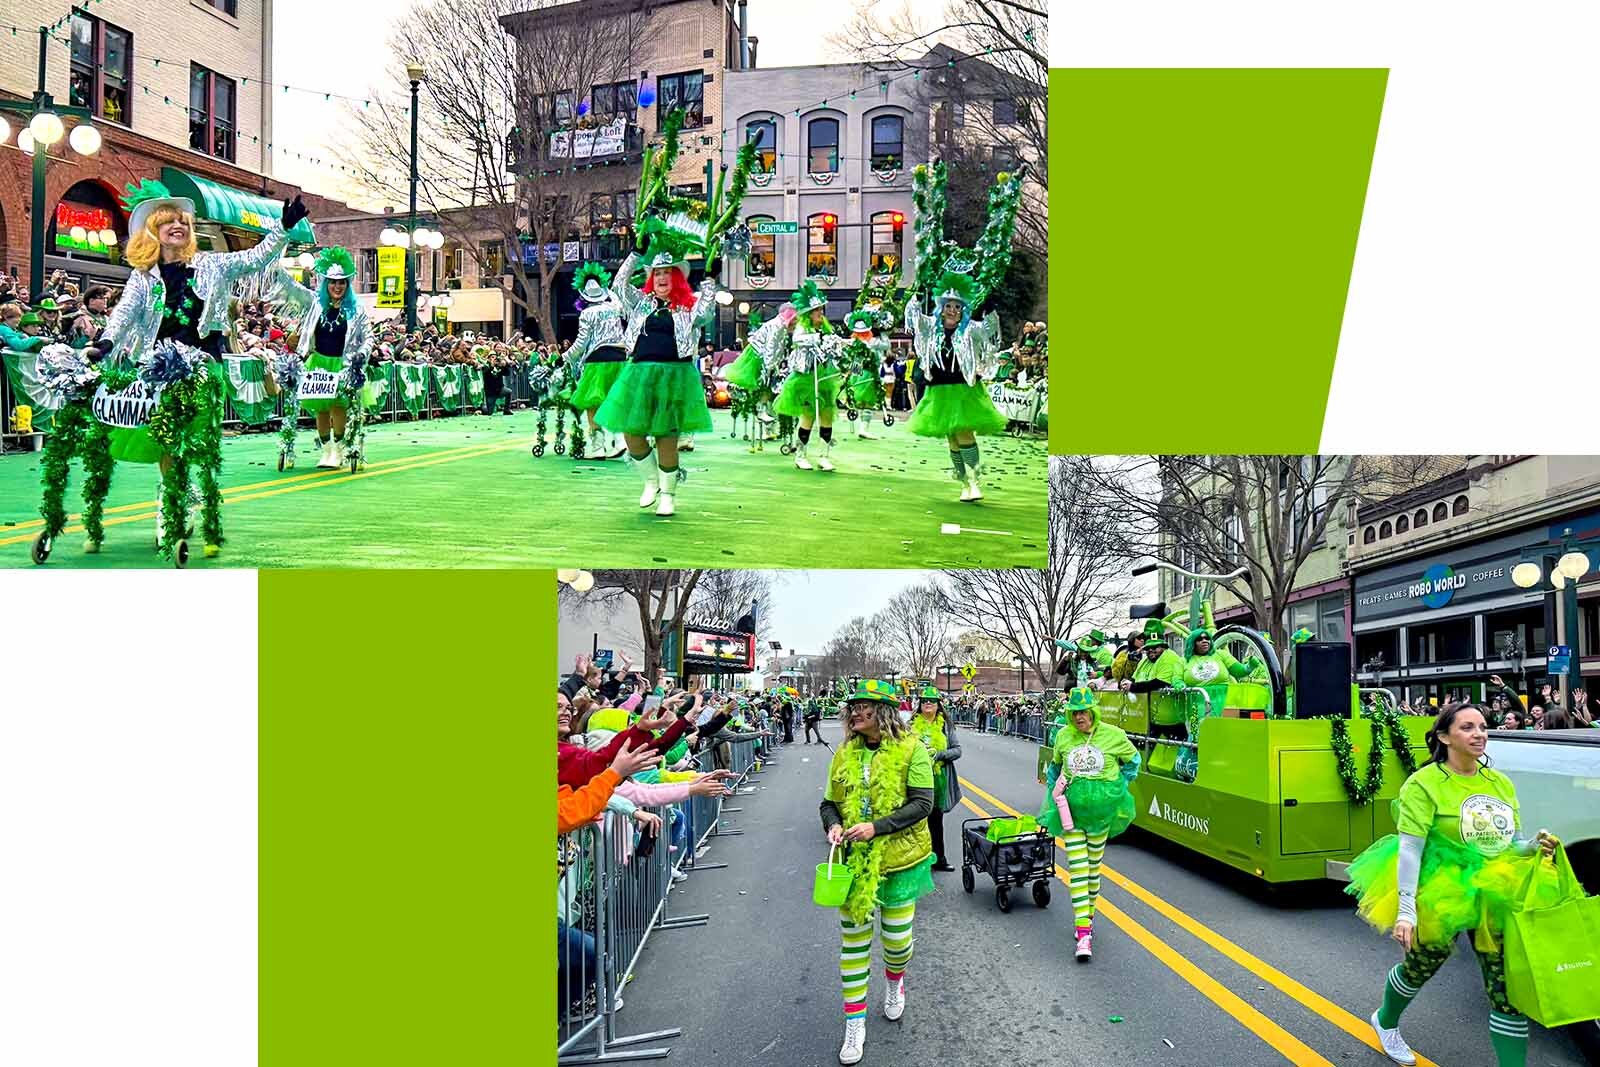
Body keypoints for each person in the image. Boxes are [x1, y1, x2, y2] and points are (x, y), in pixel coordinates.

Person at [89, 179, 307, 557]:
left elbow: (255, 259)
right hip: (160, 368)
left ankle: (184, 494)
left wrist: (282, 227)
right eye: (168, 221)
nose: (178, 226)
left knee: (194, 439)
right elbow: (125, 313)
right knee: (166, 437)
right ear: (153, 230)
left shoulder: (212, 265)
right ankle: (170, 503)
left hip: (204, 366)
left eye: (184, 222)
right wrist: (106, 343)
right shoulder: (144, 275)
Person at [1346, 702, 1571, 1067]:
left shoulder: (1499, 782)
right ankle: (1385, 1020)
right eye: (1467, 727)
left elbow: (1509, 843)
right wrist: (1406, 910)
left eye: (1482, 726)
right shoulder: (1424, 783)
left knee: (1506, 989)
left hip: (1495, 888)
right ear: (1444, 737)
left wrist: (1533, 845)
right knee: (1421, 965)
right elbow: (1410, 849)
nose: (1479, 734)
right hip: (1442, 885)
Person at [820, 679, 935, 1065]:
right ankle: (854, 1024)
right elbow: (828, 803)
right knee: (853, 946)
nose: (854, 712)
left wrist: (877, 827)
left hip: (901, 861)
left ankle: (894, 981)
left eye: (863, 707)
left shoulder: (912, 749)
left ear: (882, 712)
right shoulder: (844, 753)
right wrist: (833, 825)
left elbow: (923, 804)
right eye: (852, 707)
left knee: (897, 943)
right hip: (854, 864)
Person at [593, 217, 718, 517]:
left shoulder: (689, 306)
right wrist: (636, 254)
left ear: (677, 277)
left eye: (667, 272)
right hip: (639, 375)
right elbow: (618, 285)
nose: (662, 277)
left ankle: (669, 495)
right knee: (631, 434)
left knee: (666, 438)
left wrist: (711, 278)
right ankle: (651, 481)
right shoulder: (640, 302)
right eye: (657, 273)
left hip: (675, 377)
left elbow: (707, 311)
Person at [1037, 687, 1140, 961]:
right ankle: (1083, 933)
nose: (1079, 717)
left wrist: (1117, 787)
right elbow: (1054, 769)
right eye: (1074, 713)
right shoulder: (1063, 736)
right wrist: (1055, 796)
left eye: (1083, 712)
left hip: (1100, 816)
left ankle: (1088, 918)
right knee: (1079, 871)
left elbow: (1133, 762)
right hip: (1071, 815)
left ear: (1093, 711)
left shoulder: (1113, 735)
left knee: (1093, 871)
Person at [903, 271, 1008, 501]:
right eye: (948, 306)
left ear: (963, 309)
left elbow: (990, 329)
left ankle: (975, 481)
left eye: (958, 307)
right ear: (941, 308)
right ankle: (964, 484)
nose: (953, 310)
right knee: (952, 438)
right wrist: (918, 293)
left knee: (964, 433)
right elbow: (913, 317)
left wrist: (989, 304)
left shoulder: (970, 329)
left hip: (963, 389)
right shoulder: (931, 327)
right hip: (939, 390)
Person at [270, 246, 373, 470]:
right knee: (321, 408)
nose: (337, 286)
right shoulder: (316, 305)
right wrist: (274, 263)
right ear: (326, 284)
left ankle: (338, 450)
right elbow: (292, 288)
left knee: (338, 406)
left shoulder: (357, 310)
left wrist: (360, 355)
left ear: (347, 285)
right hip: (317, 363)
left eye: (342, 282)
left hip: (343, 365)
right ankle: (326, 451)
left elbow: (369, 338)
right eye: (333, 282)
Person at [564, 261, 630, 459]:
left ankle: (598, 448)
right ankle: (619, 440)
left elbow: (581, 342)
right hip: (620, 358)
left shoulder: (586, 314)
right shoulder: (614, 307)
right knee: (616, 400)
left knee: (593, 403)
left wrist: (565, 357)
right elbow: (618, 299)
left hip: (597, 360)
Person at [774, 280, 842, 472]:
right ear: (809, 313)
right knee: (808, 417)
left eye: (821, 309)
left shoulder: (826, 328)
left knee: (827, 415)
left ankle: (824, 457)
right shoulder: (802, 328)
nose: (820, 313)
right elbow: (798, 340)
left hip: (824, 379)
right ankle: (800, 456)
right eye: (816, 310)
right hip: (805, 379)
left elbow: (833, 348)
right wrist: (818, 339)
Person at [910, 686, 963, 872]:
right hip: (915, 779)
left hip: (938, 780)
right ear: (920, 704)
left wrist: (939, 754)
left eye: (932, 701)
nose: (928, 704)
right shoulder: (910, 725)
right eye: (924, 701)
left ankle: (939, 858)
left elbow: (957, 750)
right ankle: (916, 860)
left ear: (938, 705)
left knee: (935, 821)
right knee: (915, 821)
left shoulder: (945, 726)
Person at [1123, 621, 1184, 693]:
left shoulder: (1170, 657)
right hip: (1142, 700)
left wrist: (1133, 687)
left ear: (1163, 647)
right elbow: (1133, 679)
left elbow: (1161, 683)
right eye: (1148, 648)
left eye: (1155, 647)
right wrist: (1125, 684)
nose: (1151, 650)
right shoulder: (1144, 661)